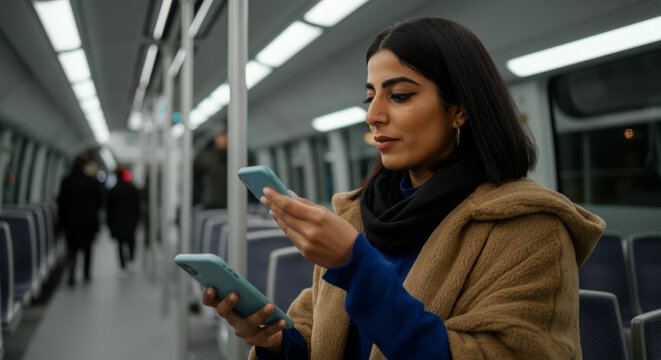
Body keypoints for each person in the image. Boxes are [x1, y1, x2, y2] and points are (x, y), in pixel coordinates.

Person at [202, 17, 607, 359]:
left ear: (459, 108)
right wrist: (278, 344)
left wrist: (356, 266)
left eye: (398, 96)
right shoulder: (357, 215)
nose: (374, 116)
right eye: (369, 98)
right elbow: (321, 339)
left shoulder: (530, 228)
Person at [58, 153, 104, 286]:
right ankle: (86, 273)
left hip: (71, 221)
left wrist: (60, 224)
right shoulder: (93, 182)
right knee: (88, 248)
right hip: (88, 221)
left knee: (72, 249)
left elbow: (61, 204)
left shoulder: (66, 181)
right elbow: (99, 202)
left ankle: (71, 274)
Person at [106, 164, 141, 275]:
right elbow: (137, 205)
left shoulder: (113, 190)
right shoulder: (132, 188)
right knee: (131, 240)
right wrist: (137, 219)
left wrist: (109, 224)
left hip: (118, 221)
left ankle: (122, 266)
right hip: (130, 219)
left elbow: (109, 209)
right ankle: (131, 260)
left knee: (120, 243)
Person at [193, 127, 228, 209]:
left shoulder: (240, 156)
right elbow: (195, 181)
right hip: (210, 204)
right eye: (223, 135)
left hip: (232, 204)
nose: (226, 139)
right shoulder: (205, 156)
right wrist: (197, 201)